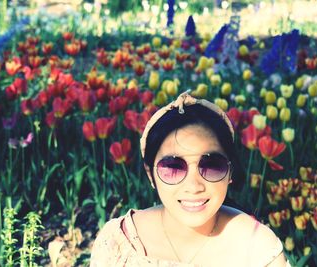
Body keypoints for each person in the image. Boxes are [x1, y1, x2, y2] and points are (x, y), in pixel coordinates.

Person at [90, 92, 289, 266]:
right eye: (173, 167)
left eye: (211, 165)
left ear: (230, 172)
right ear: (150, 175)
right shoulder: (120, 244)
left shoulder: (258, 250)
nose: (194, 187)